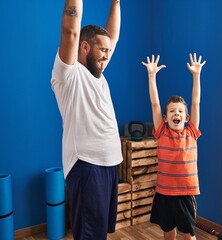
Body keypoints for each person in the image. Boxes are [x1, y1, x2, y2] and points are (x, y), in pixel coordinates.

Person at [50, 0, 123, 239]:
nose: (107, 56)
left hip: (109, 164)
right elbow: (70, 29)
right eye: (102, 50)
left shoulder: (98, 74)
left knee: (100, 232)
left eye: (108, 51)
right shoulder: (68, 74)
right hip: (87, 165)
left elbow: (112, 37)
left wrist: (115, 3)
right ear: (84, 47)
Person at [141, 54, 206, 240]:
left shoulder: (192, 132)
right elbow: (155, 103)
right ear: (165, 117)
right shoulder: (161, 131)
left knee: (188, 235)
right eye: (171, 111)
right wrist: (151, 76)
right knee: (168, 233)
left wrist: (196, 75)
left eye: (179, 111)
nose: (175, 113)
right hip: (164, 193)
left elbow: (195, 102)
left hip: (185, 194)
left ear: (186, 118)